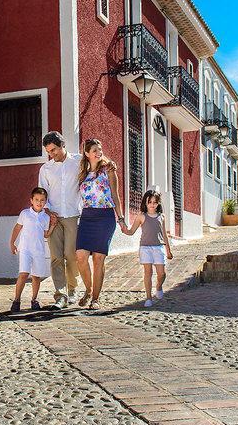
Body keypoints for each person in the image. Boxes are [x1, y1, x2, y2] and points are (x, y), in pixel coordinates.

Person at [74, 138, 120, 311]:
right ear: (87, 153)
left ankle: (95, 299)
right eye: (94, 150)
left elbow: (115, 195)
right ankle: (88, 288)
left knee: (98, 259)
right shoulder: (83, 174)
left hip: (105, 216)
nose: (98, 152)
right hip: (87, 217)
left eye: (100, 149)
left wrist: (121, 219)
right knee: (80, 256)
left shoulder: (108, 169)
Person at [39, 131, 82, 309]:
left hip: (73, 215)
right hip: (53, 217)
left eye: (54, 150)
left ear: (63, 145)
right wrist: (48, 213)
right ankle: (60, 295)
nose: (52, 154)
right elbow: (42, 194)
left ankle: (73, 290)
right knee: (56, 257)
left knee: (71, 255)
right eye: (49, 151)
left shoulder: (79, 161)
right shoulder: (46, 169)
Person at [117, 188, 173, 307]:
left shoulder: (161, 216)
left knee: (161, 273)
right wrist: (123, 229)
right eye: (150, 202)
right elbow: (131, 231)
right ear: (145, 203)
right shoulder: (141, 216)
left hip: (159, 248)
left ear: (158, 203)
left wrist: (168, 250)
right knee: (148, 273)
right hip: (145, 248)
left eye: (155, 202)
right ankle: (148, 298)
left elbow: (164, 234)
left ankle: (158, 286)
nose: (152, 205)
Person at [9, 186, 55, 313]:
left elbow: (46, 234)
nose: (39, 202)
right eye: (37, 199)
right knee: (23, 274)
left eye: (42, 200)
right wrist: (12, 243)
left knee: (36, 276)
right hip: (25, 249)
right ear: (31, 200)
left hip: (38, 251)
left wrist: (52, 226)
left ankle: (34, 300)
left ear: (45, 202)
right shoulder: (25, 214)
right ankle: (16, 300)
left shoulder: (46, 217)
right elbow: (17, 228)